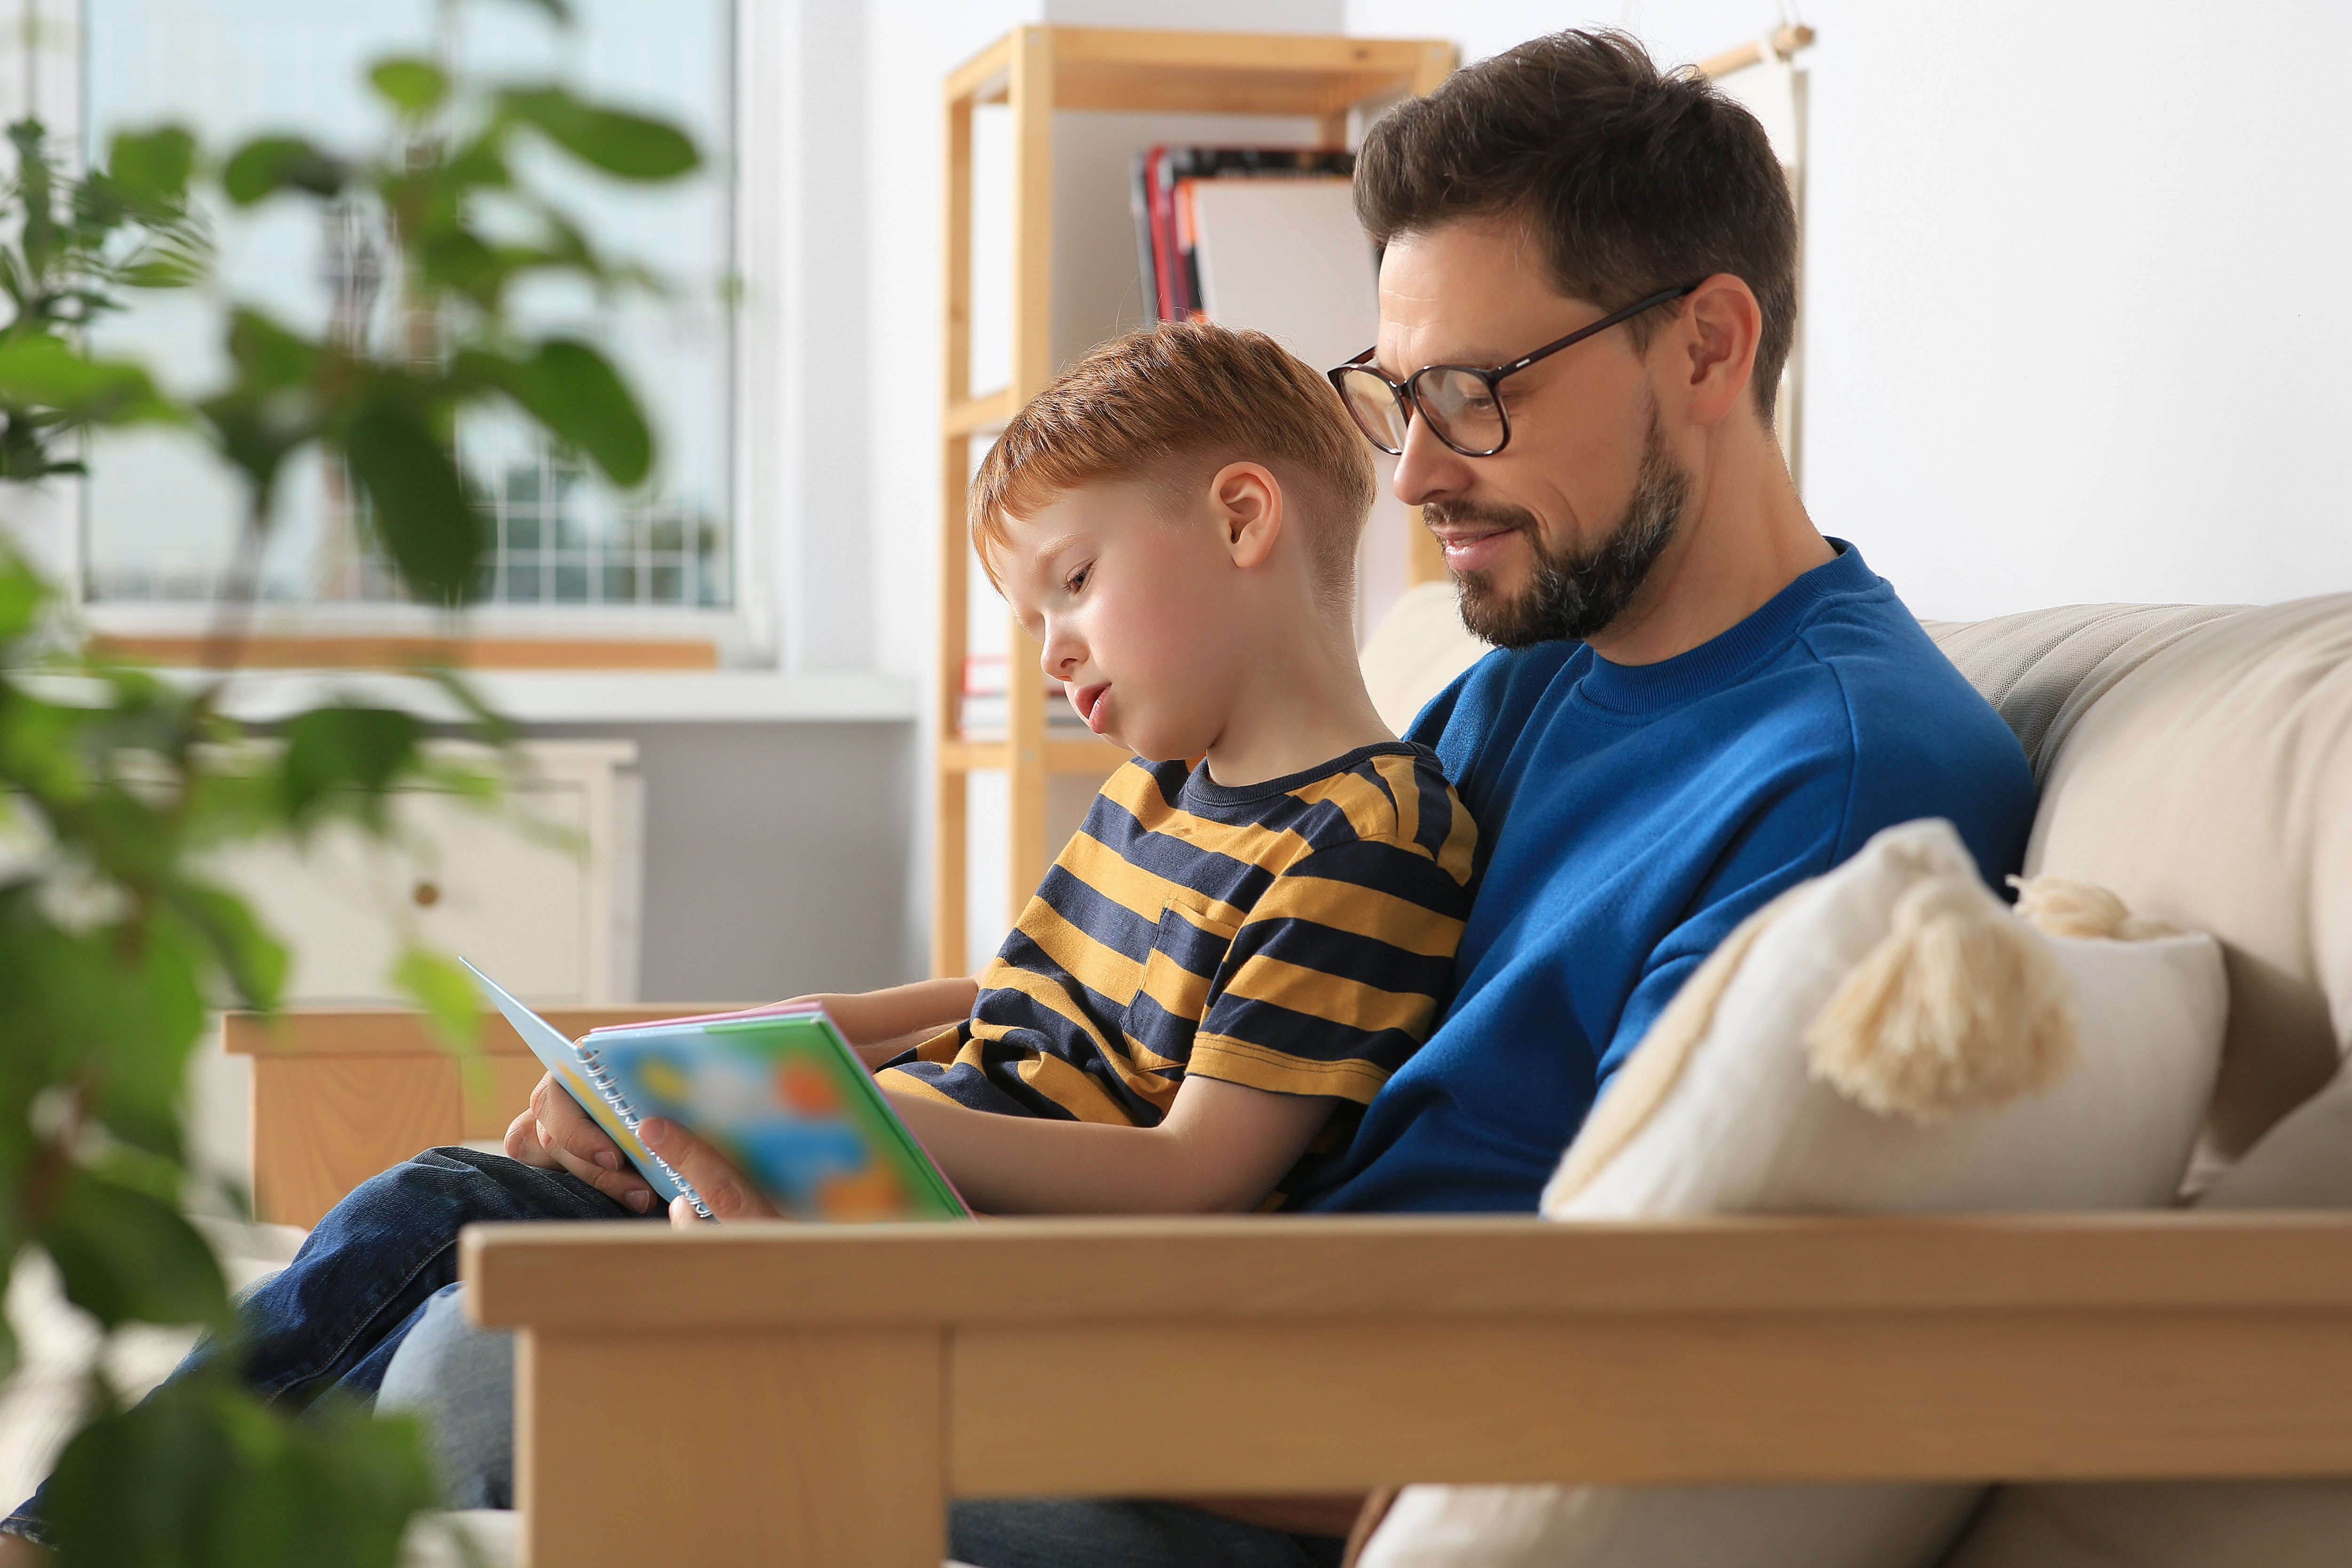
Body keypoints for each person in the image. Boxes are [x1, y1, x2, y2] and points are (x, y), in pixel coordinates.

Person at [4, 27, 2043, 1568]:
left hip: (1199, 1400)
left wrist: (880, 1250)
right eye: (1395, 394)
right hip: (1094, 1309)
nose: (1413, 476)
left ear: (1709, 341)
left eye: (1473, 394)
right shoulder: (1523, 680)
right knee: (480, 1236)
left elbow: (1584, 1379)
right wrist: (751, 1107)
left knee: (484, 1346)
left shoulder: (1851, 785)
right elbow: (1172, 1001)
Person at [0, 324, 1474, 1557]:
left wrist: (862, 1122)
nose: (1053, 656)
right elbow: (1028, 996)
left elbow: (1196, 1174)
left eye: (1072, 586)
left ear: (1239, 519)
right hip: (879, 1218)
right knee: (442, 1202)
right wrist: (798, 1036)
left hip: (978, 1284)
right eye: (1030, 620)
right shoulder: (1164, 790)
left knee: (456, 1323)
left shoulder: (1365, 838)